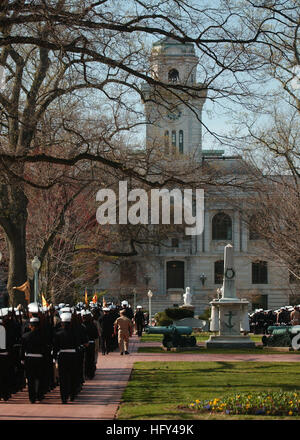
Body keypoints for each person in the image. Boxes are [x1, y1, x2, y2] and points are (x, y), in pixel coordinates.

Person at [53, 312, 85, 404]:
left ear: (62, 323)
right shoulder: (75, 333)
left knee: (63, 378)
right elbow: (78, 344)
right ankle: (72, 394)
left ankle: (64, 397)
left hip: (62, 356)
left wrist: (55, 357)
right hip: (73, 356)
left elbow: (56, 347)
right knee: (72, 376)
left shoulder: (58, 334)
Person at [21, 317, 47, 403]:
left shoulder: (25, 336)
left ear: (30, 326)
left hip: (29, 359)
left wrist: (22, 359)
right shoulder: (43, 336)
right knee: (40, 378)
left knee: (31, 379)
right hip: (40, 359)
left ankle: (32, 398)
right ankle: (39, 396)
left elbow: (22, 349)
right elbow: (45, 349)